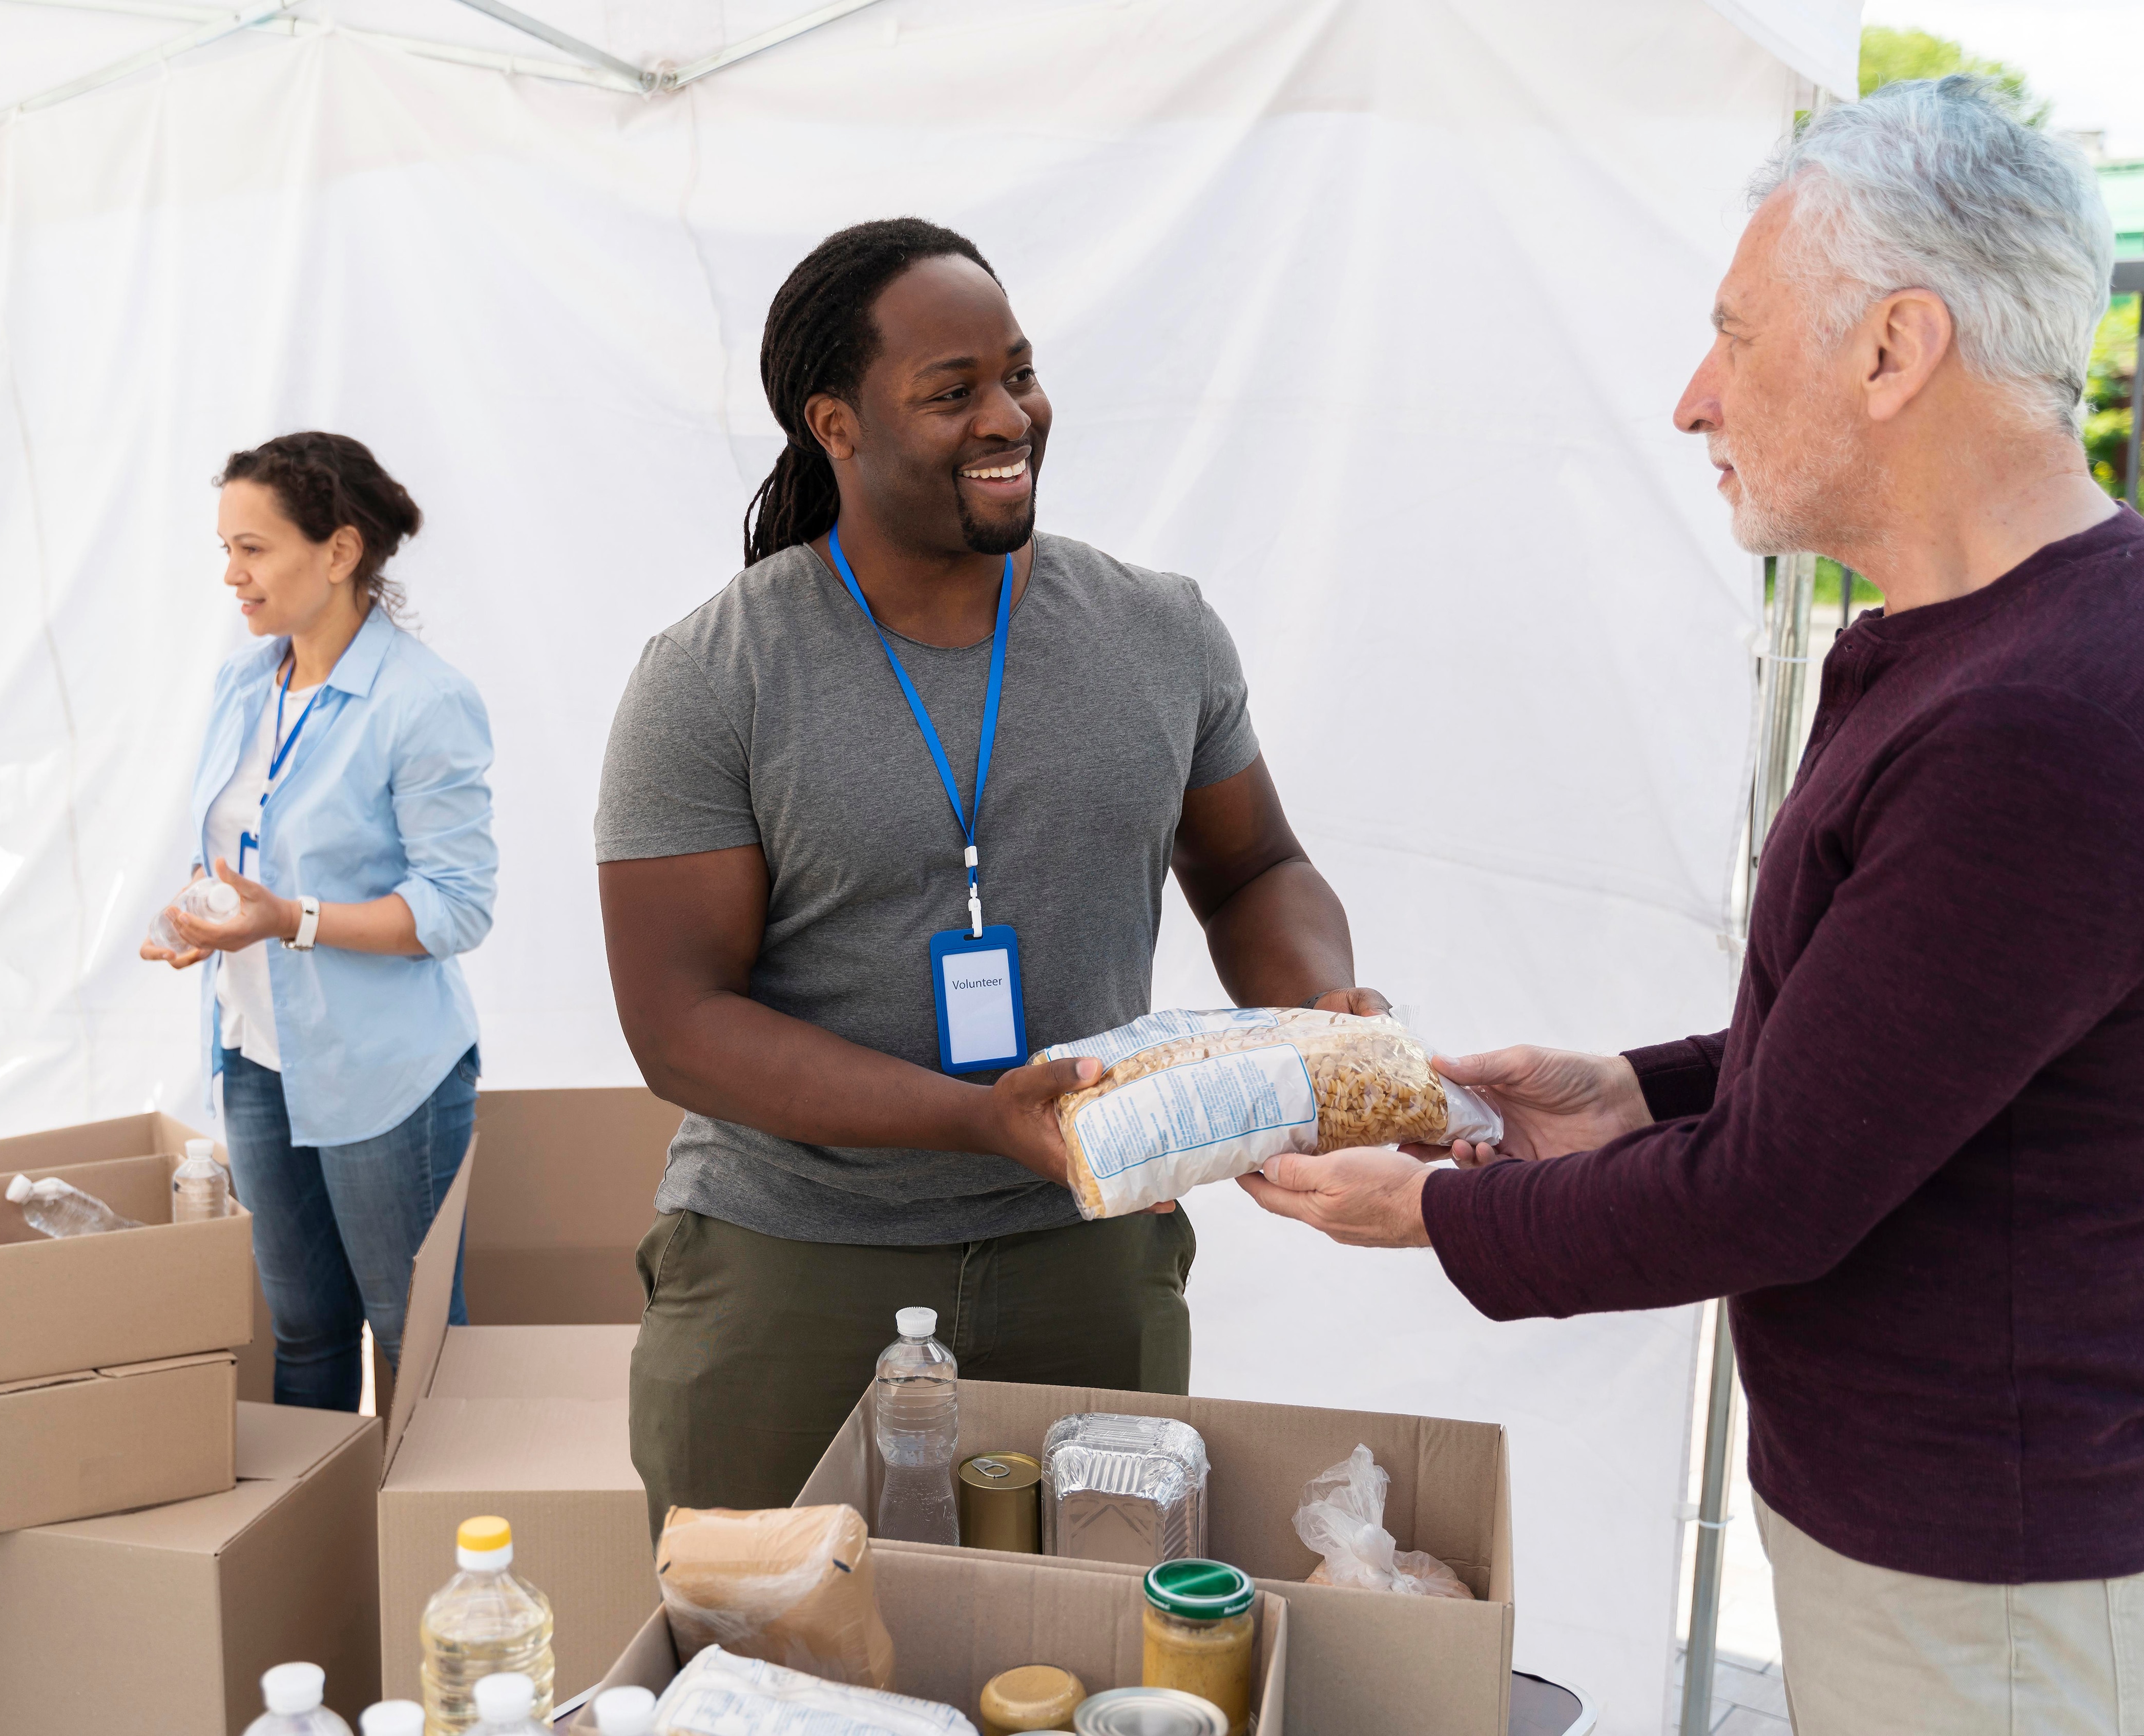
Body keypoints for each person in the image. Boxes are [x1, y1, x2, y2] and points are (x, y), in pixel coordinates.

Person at [1241, 79, 2141, 1735]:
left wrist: (1429, 1214)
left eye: (1737, 334)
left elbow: (1782, 1193)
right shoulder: (2011, 649)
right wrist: (1638, 1088)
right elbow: (1903, 1046)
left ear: (1893, 351)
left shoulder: (2045, 716)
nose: (1691, 397)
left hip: (1985, 1562)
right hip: (1936, 1524)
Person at [598, 218, 1385, 1527]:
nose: (1008, 417)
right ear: (833, 424)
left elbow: (1256, 869)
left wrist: (1321, 1014)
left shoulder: (1157, 630)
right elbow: (678, 1026)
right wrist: (972, 1116)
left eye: (1017, 374)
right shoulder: (713, 676)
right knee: (772, 1669)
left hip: (1089, 1246)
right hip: (794, 1264)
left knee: (1081, 1656)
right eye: (952, 392)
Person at [143, 432, 496, 1413]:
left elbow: (457, 906)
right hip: (258, 1055)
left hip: (386, 1074)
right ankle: (321, 1563)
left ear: (339, 552)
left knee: (412, 1342)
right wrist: (198, 916)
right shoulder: (244, 683)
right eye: (225, 548)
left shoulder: (423, 702)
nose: (230, 574)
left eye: (252, 548)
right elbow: (240, 844)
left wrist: (285, 920)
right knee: (301, 1332)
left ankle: (436, 1561)